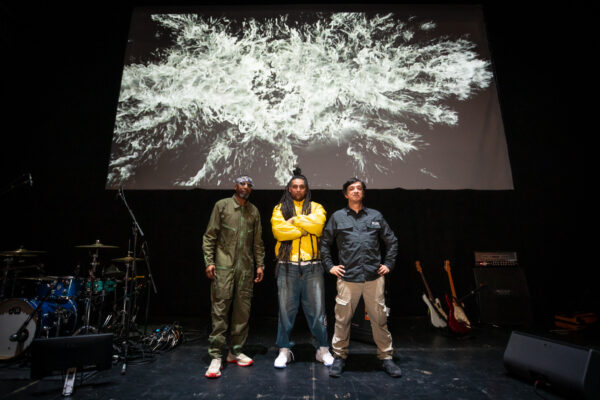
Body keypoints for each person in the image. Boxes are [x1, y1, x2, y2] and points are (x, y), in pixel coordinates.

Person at [320, 178, 402, 378]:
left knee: (379, 319)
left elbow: (392, 241)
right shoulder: (338, 217)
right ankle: (339, 357)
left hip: (374, 278)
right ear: (346, 194)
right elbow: (324, 244)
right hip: (348, 278)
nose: (356, 191)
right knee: (342, 320)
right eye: (351, 189)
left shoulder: (375, 216)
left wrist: (388, 264)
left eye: (359, 188)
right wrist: (330, 266)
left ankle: (386, 358)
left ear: (363, 193)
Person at [202, 175, 265, 378]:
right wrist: (209, 261)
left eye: (249, 184)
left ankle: (235, 351)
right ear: (235, 186)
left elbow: (257, 242)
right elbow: (210, 235)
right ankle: (216, 356)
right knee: (220, 312)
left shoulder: (253, 211)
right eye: (242, 183)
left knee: (242, 314)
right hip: (223, 267)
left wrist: (260, 264)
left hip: (245, 270)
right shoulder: (222, 206)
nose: (245, 187)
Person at [271, 169, 334, 368]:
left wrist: (295, 221)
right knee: (285, 311)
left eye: (302, 186)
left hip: (313, 266)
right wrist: (304, 227)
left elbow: (318, 226)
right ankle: (284, 350)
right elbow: (279, 232)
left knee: (317, 311)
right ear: (289, 189)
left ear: (306, 189)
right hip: (286, 266)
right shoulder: (279, 208)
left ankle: (322, 349)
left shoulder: (317, 207)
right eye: (295, 186)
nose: (298, 189)